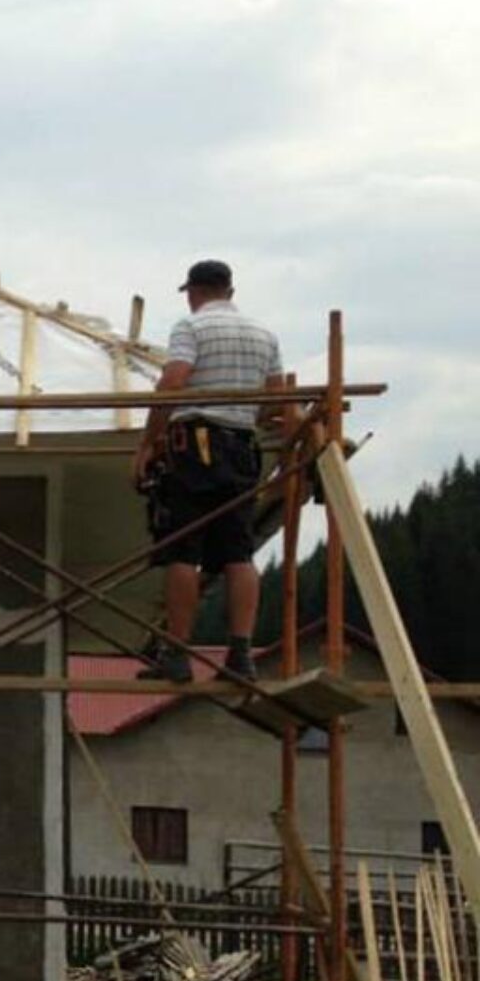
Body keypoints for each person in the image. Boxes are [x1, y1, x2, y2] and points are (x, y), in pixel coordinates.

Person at [133, 260, 289, 683]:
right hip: (242, 448)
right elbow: (277, 397)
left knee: (183, 549)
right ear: (230, 291)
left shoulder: (191, 326)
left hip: (196, 446)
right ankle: (241, 656)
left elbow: (173, 382)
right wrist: (245, 415)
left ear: (193, 292)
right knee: (238, 552)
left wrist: (148, 442)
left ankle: (177, 654)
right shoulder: (264, 334)